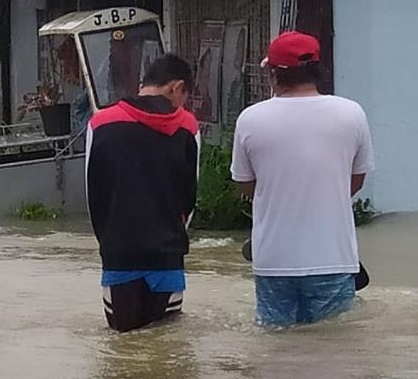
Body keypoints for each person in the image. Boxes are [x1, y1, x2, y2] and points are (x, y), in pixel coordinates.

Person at [231, 32, 375, 327]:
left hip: (273, 261)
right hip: (333, 258)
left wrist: (280, 195)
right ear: (317, 70)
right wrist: (323, 196)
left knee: (276, 350)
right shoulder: (352, 113)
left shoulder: (250, 119)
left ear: (273, 74)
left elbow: (244, 184)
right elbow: (357, 180)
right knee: (334, 351)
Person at [85, 54, 198, 332]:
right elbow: (190, 198)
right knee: (168, 352)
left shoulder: (99, 124)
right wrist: (172, 238)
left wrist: (110, 244)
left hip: (119, 258)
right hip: (167, 261)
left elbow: (93, 196)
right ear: (176, 87)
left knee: (122, 353)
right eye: (185, 95)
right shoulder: (188, 126)